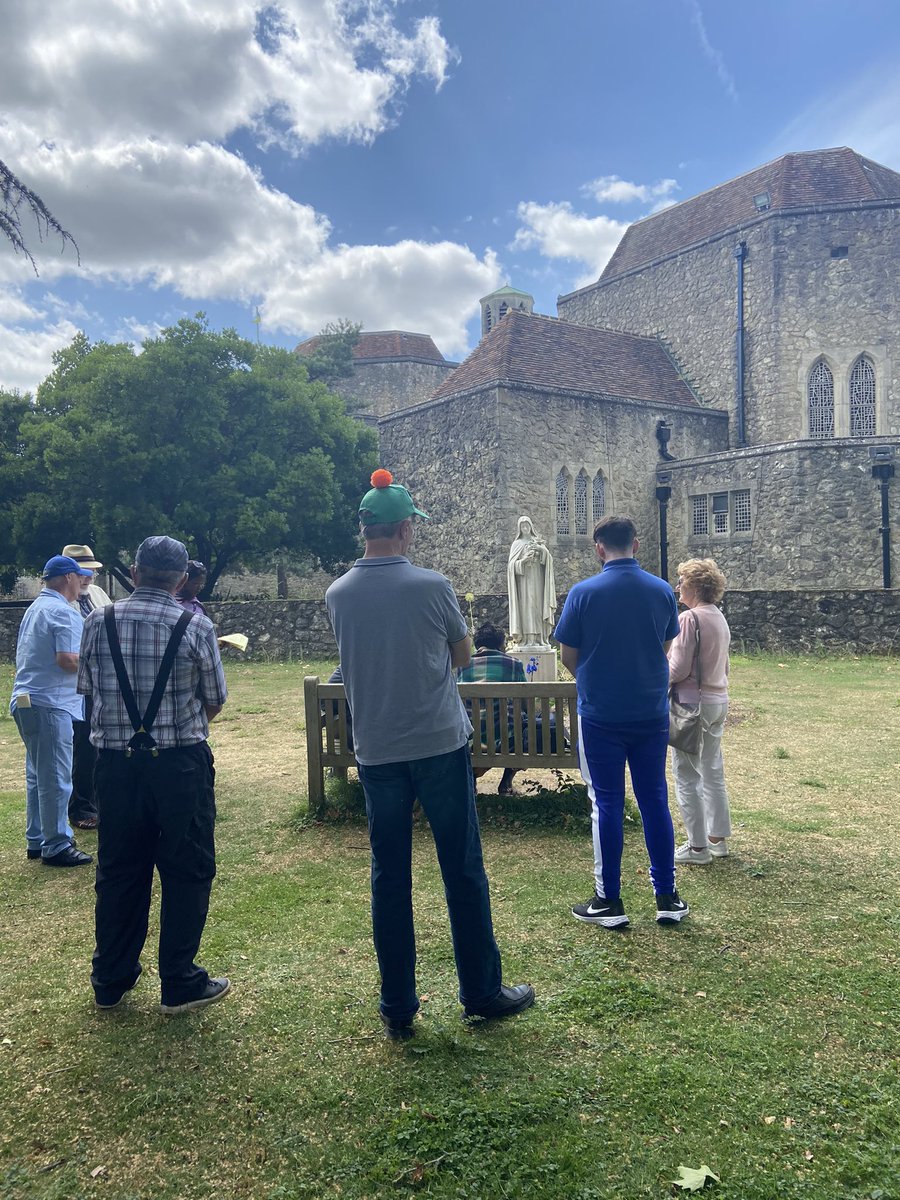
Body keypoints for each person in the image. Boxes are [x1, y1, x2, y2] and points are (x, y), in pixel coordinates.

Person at [325, 469, 534, 1040]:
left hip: (377, 750)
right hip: (439, 743)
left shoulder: (337, 594)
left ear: (365, 529)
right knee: (462, 869)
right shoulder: (431, 585)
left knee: (388, 875)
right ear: (404, 529)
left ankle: (397, 1005)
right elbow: (464, 656)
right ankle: (482, 991)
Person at [78, 536, 230, 1015]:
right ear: (182, 579)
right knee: (188, 868)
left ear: (136, 571)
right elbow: (215, 700)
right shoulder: (195, 625)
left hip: (115, 766)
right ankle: (179, 980)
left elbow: (88, 689)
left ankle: (111, 978)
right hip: (180, 763)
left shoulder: (96, 622)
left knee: (119, 869)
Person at [554, 515, 689, 928]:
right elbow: (664, 646)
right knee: (654, 800)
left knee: (606, 803)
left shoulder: (582, 593)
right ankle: (667, 895)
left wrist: (595, 679)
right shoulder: (662, 590)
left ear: (598, 548)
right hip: (649, 711)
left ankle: (608, 900)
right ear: (636, 543)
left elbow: (567, 654)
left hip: (602, 714)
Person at [10, 555, 94, 867]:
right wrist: (97, 667)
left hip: (28, 701)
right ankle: (57, 844)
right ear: (69, 577)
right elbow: (67, 659)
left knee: (38, 773)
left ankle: (37, 839)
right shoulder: (62, 611)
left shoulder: (36, 609)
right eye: (81, 576)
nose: (84, 582)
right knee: (57, 776)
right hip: (51, 703)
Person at [667, 558, 732, 864]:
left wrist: (655, 679)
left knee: (686, 773)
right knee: (712, 770)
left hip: (692, 703)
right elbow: (725, 664)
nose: (678, 586)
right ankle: (716, 839)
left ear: (694, 586)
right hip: (718, 699)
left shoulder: (689, 619)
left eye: (682, 581)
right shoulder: (719, 617)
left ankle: (697, 847)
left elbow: (677, 668)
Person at [62, 544, 112, 830]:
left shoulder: (96, 595)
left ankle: (96, 801)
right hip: (74, 685)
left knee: (97, 745)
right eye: (83, 573)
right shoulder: (62, 602)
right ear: (68, 575)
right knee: (81, 746)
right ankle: (80, 808)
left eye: (92, 572)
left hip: (100, 682)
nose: (89, 578)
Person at [458, 622, 526, 795]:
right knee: (521, 725)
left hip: (470, 739)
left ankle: (471, 782)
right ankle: (506, 782)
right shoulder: (514, 665)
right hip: (507, 741)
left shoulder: (462, 667)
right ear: (500, 644)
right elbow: (525, 703)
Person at [507, 516, 556, 648]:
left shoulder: (538, 542)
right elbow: (511, 566)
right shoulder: (516, 544)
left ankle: (540, 638)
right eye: (522, 526)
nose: (525, 528)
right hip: (523, 583)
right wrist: (523, 561)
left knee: (538, 607)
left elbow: (549, 560)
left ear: (531, 527)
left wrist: (540, 550)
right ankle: (527, 638)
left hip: (538, 580)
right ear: (520, 529)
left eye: (527, 526)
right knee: (526, 608)